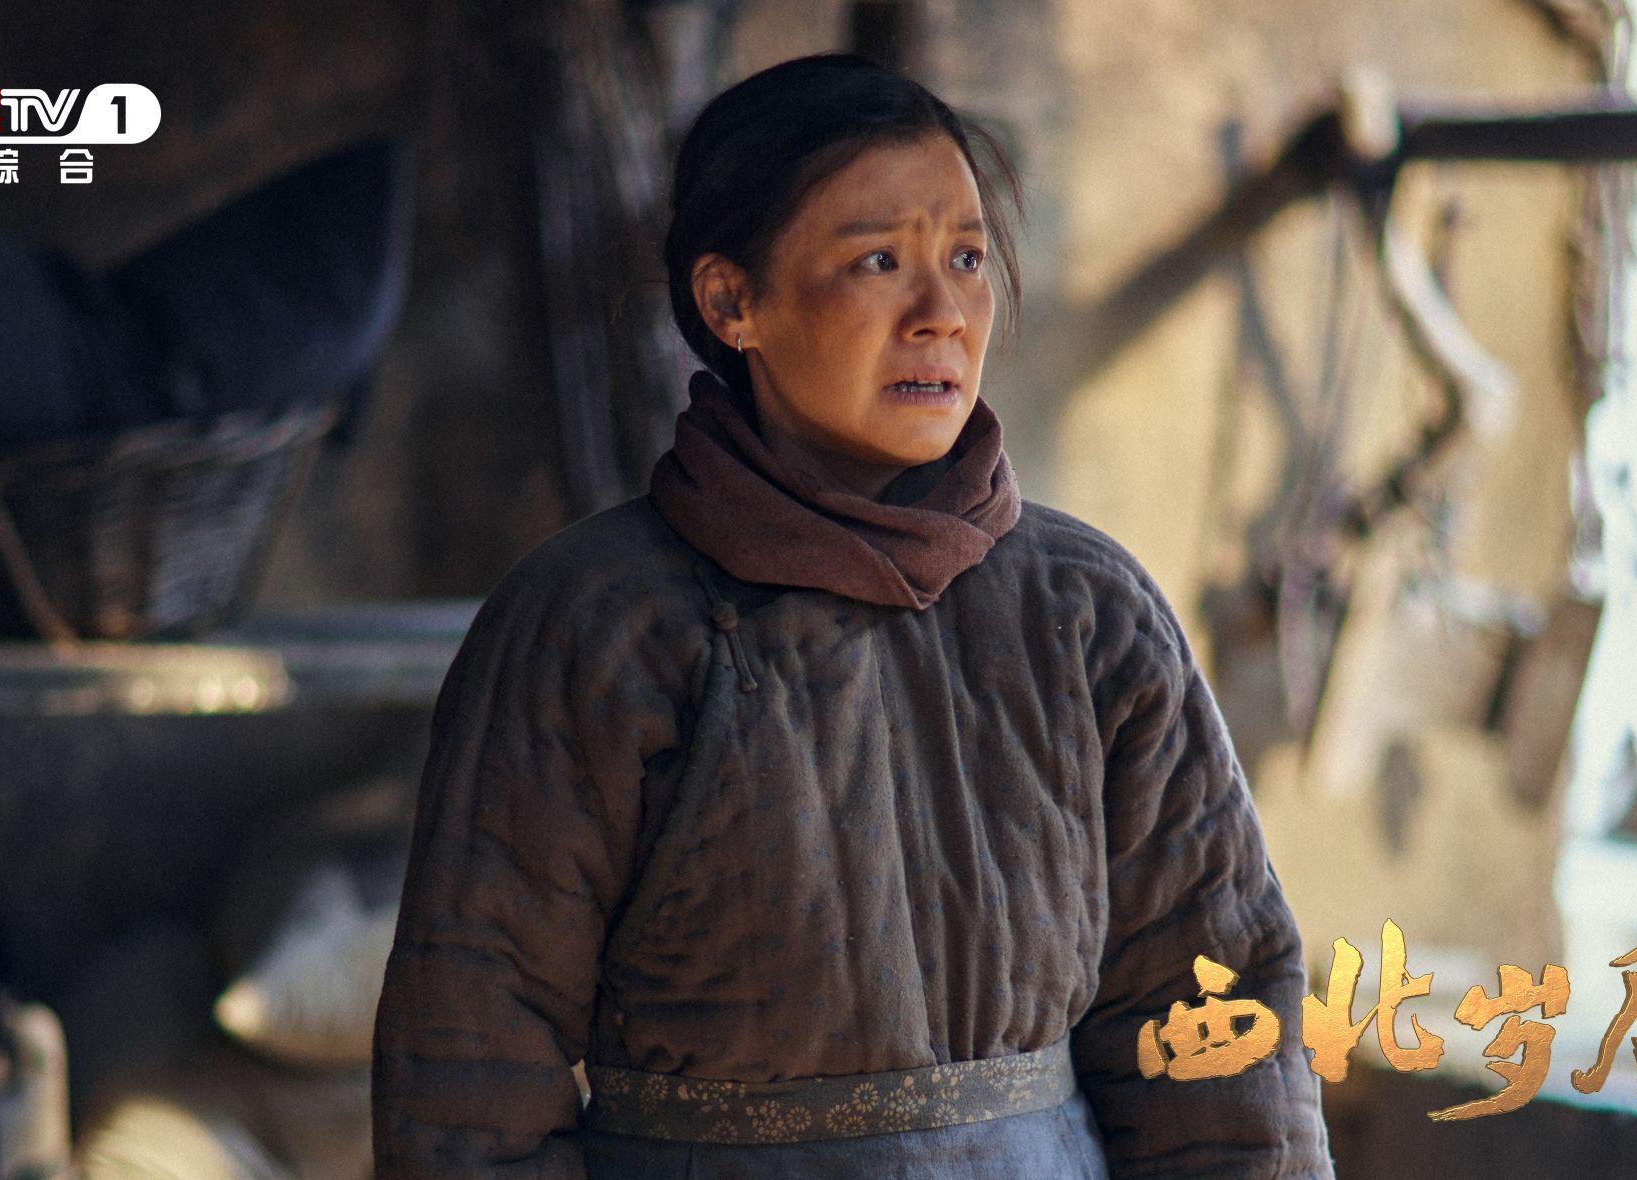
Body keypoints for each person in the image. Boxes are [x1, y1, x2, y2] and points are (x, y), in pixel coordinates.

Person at [372, 52, 1333, 1179]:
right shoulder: (598, 622)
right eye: (879, 260)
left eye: (966, 257)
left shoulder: (1088, 611)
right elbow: (472, 1061)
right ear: (731, 302)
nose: (943, 315)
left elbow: (1216, 1015)